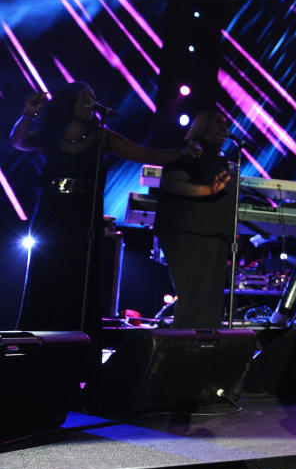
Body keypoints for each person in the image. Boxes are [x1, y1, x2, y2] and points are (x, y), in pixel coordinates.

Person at [9, 82, 199, 375]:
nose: (90, 101)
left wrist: (181, 152)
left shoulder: (102, 136)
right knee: (45, 279)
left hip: (83, 218)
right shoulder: (50, 134)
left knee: (81, 284)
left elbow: (144, 155)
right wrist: (28, 113)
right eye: (84, 97)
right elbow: (19, 141)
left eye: (93, 98)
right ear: (68, 102)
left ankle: (77, 361)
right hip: (50, 215)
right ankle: (37, 356)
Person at [154, 111, 234, 329]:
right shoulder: (188, 154)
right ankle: (178, 354)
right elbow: (173, 183)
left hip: (215, 236)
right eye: (217, 123)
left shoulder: (221, 162)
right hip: (188, 233)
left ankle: (203, 353)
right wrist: (208, 190)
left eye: (225, 124)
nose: (224, 128)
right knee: (193, 298)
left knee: (211, 304)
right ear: (202, 128)